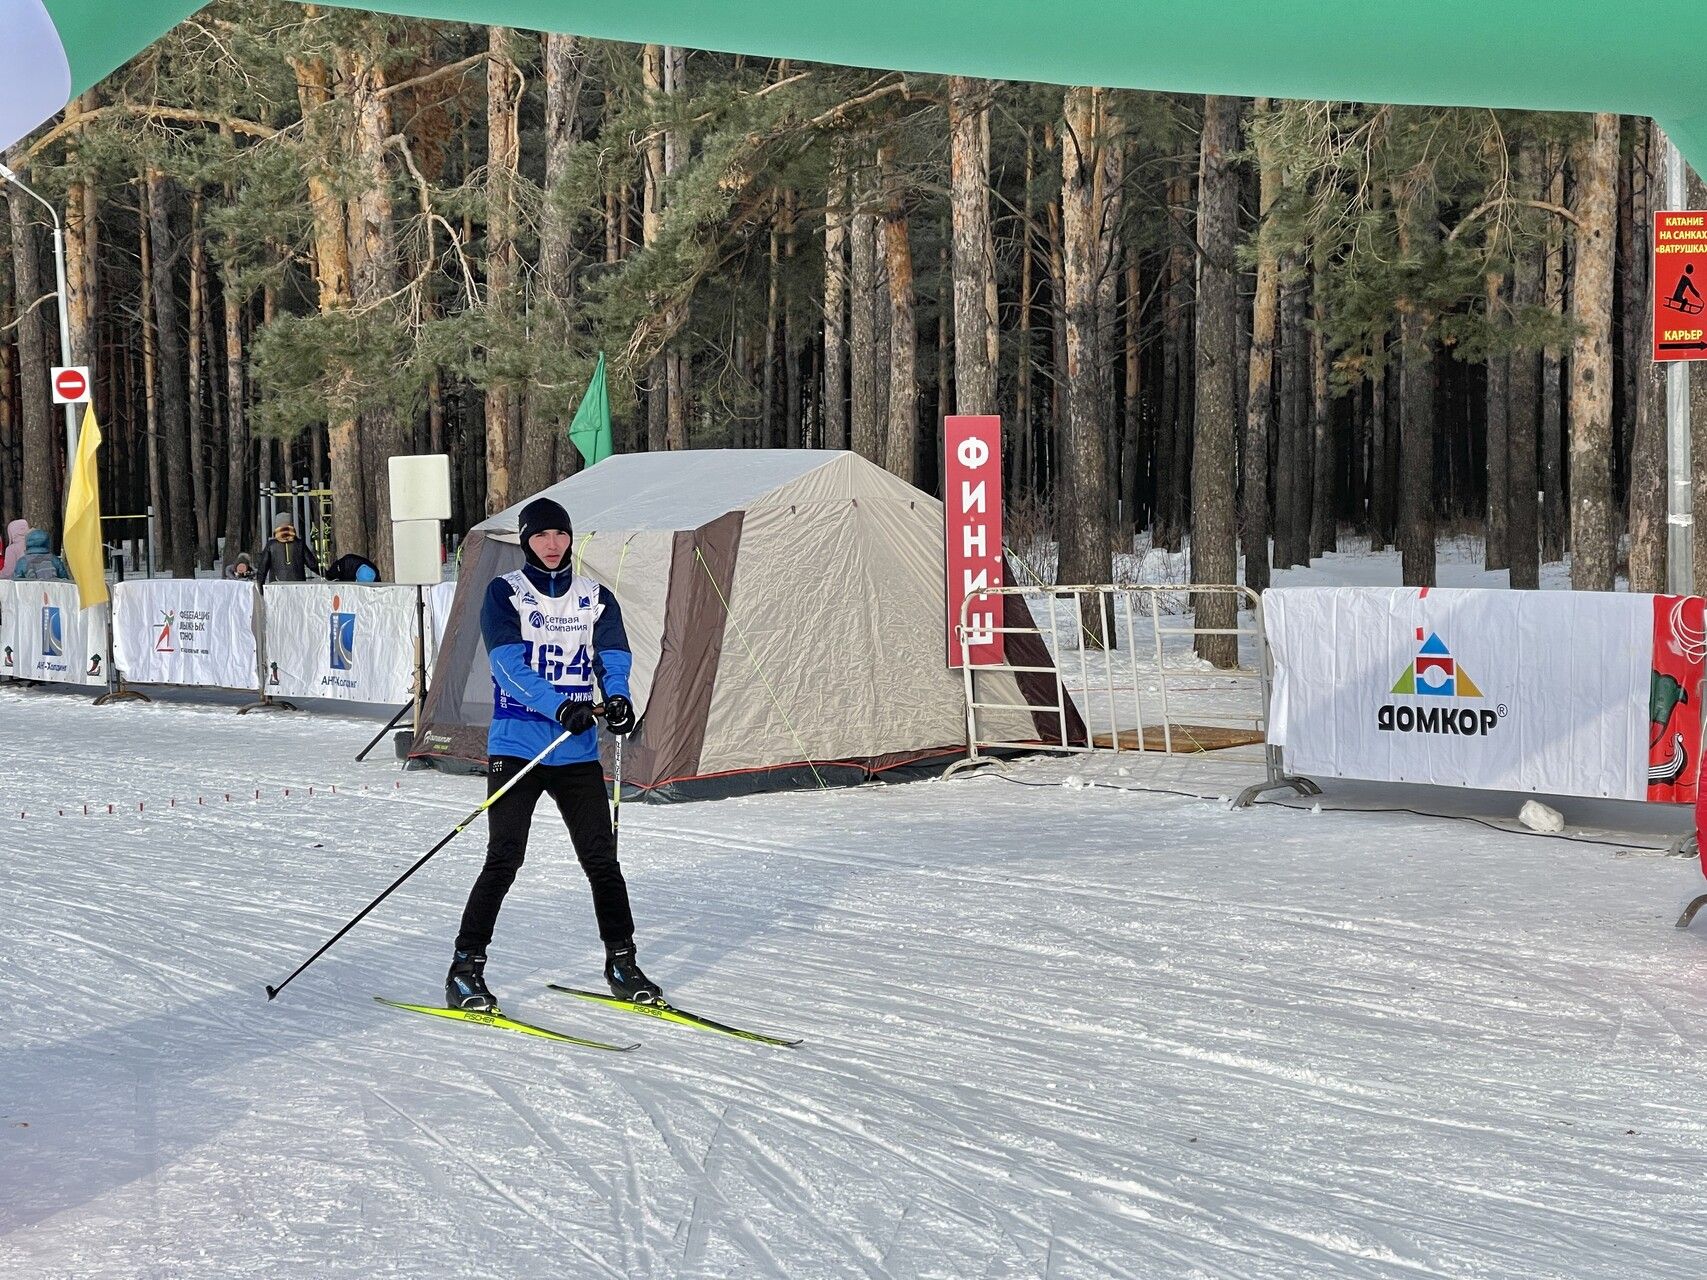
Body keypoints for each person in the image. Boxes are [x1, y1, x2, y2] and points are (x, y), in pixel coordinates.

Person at [446, 496, 650, 1012]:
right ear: (526, 540)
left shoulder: (595, 596)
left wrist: (619, 698)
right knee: (504, 857)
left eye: (560, 535)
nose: (552, 545)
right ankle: (465, 968)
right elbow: (508, 666)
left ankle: (622, 961)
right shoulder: (505, 592)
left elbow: (613, 655)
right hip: (517, 744)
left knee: (602, 860)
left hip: (576, 750)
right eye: (541, 536)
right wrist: (560, 707)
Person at [255, 513, 319, 586]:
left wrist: (261, 589)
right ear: (291, 525)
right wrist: (327, 575)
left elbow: (262, 569)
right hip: (298, 585)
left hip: (276, 585)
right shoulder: (299, 544)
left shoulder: (271, 545)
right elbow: (312, 564)